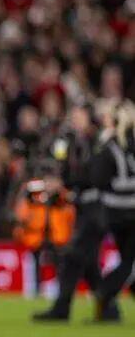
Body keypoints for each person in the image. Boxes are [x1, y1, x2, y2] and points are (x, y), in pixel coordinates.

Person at [33, 105, 107, 321]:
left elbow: (94, 175)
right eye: (72, 116)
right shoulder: (72, 142)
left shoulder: (97, 142)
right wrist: (57, 180)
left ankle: (62, 308)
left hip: (97, 207)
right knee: (87, 262)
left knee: (74, 256)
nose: (74, 120)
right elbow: (64, 168)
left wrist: (64, 182)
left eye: (79, 116)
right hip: (85, 207)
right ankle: (108, 308)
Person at [90, 100, 135, 322]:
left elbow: (97, 179)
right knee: (129, 261)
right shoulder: (127, 145)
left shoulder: (108, 145)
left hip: (113, 213)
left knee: (127, 258)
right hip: (130, 211)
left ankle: (107, 304)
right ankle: (105, 290)